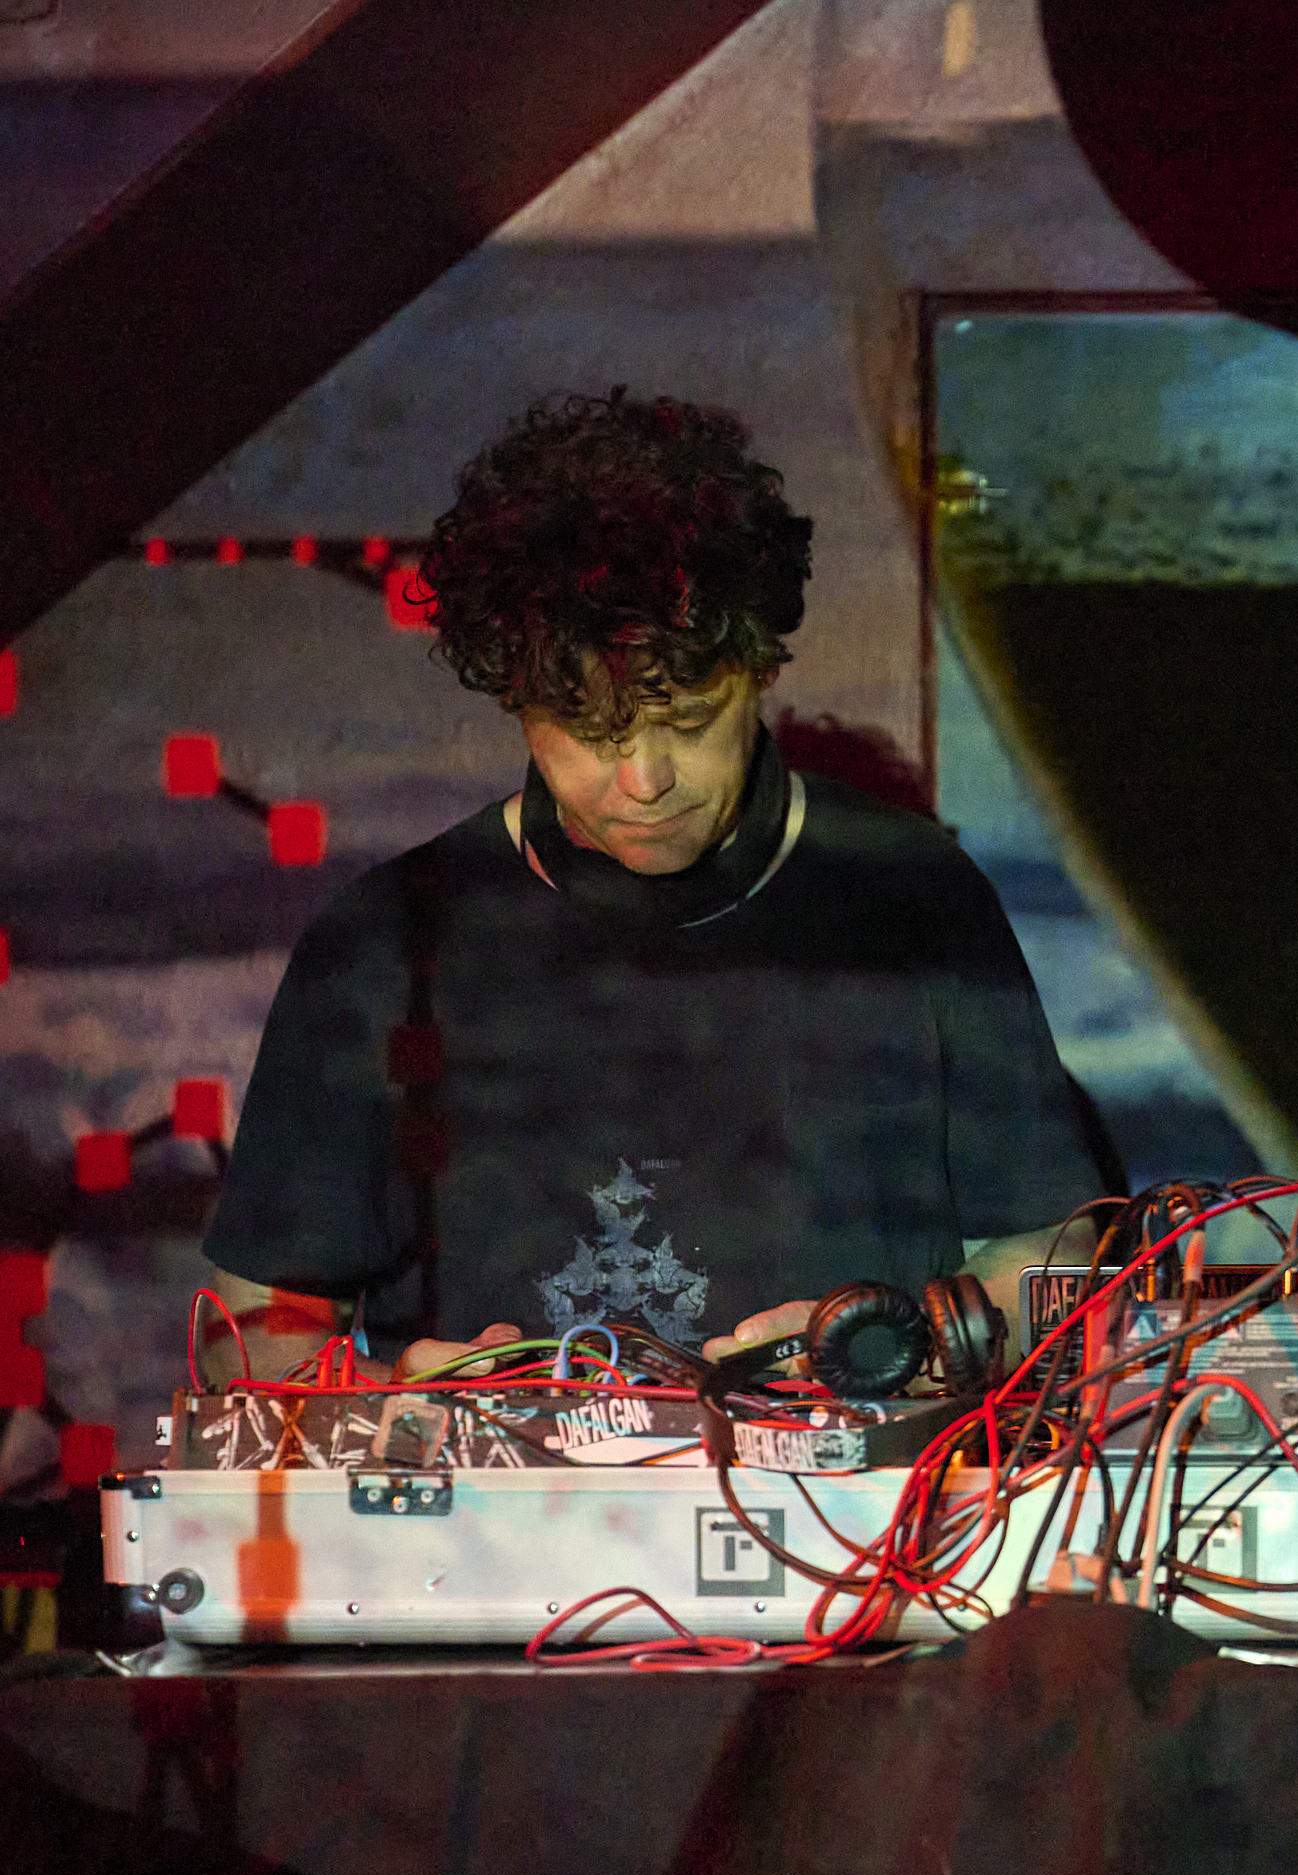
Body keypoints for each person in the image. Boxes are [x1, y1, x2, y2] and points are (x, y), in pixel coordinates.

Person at [201, 391, 1106, 1381]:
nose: (644, 781)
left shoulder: (914, 893)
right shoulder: (385, 941)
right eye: (589, 732)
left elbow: (1050, 1256)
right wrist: (408, 1404)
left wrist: (900, 1358)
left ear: (759, 667)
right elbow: (245, 1343)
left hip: (860, 1479)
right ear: (513, 700)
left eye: (689, 720)